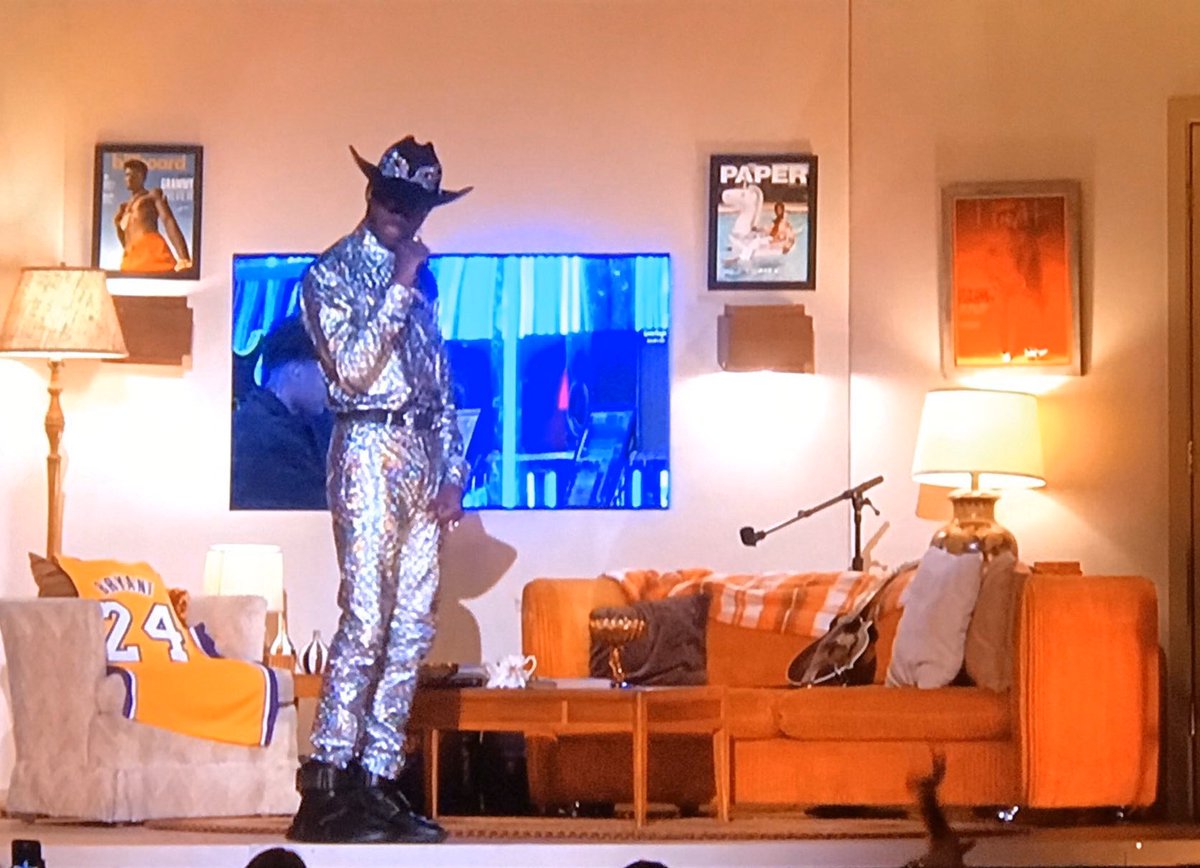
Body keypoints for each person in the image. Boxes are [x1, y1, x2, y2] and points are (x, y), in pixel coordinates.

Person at [287, 137, 470, 844]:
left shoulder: (424, 286)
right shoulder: (330, 273)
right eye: (393, 201)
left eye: (416, 207)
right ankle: (330, 776)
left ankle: (377, 774)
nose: (403, 216)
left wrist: (452, 472)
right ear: (370, 196)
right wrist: (398, 284)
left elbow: (440, 384)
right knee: (366, 616)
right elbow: (355, 369)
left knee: (413, 625)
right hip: (365, 446)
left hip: (420, 453)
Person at [231, 315, 332, 510]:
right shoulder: (264, 436)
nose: (333, 385)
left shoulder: (306, 424)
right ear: (296, 370)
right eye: (326, 373)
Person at [113, 158, 192, 273]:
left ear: (141, 176)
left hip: (152, 255)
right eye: (126, 175)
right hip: (131, 261)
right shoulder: (124, 208)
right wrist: (117, 226)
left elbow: (168, 220)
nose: (128, 178)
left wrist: (184, 259)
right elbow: (127, 242)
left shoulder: (152, 196)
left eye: (132, 175)